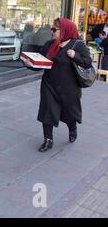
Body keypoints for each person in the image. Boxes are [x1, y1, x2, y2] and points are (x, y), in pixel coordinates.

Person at [23, 18, 92, 152]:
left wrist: (75, 56)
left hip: (70, 88)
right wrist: (30, 64)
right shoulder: (50, 44)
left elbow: (88, 62)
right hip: (49, 85)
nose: (52, 32)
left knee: (69, 113)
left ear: (65, 30)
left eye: (55, 29)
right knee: (47, 111)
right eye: (52, 29)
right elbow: (41, 63)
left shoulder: (78, 45)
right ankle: (48, 140)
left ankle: (72, 128)